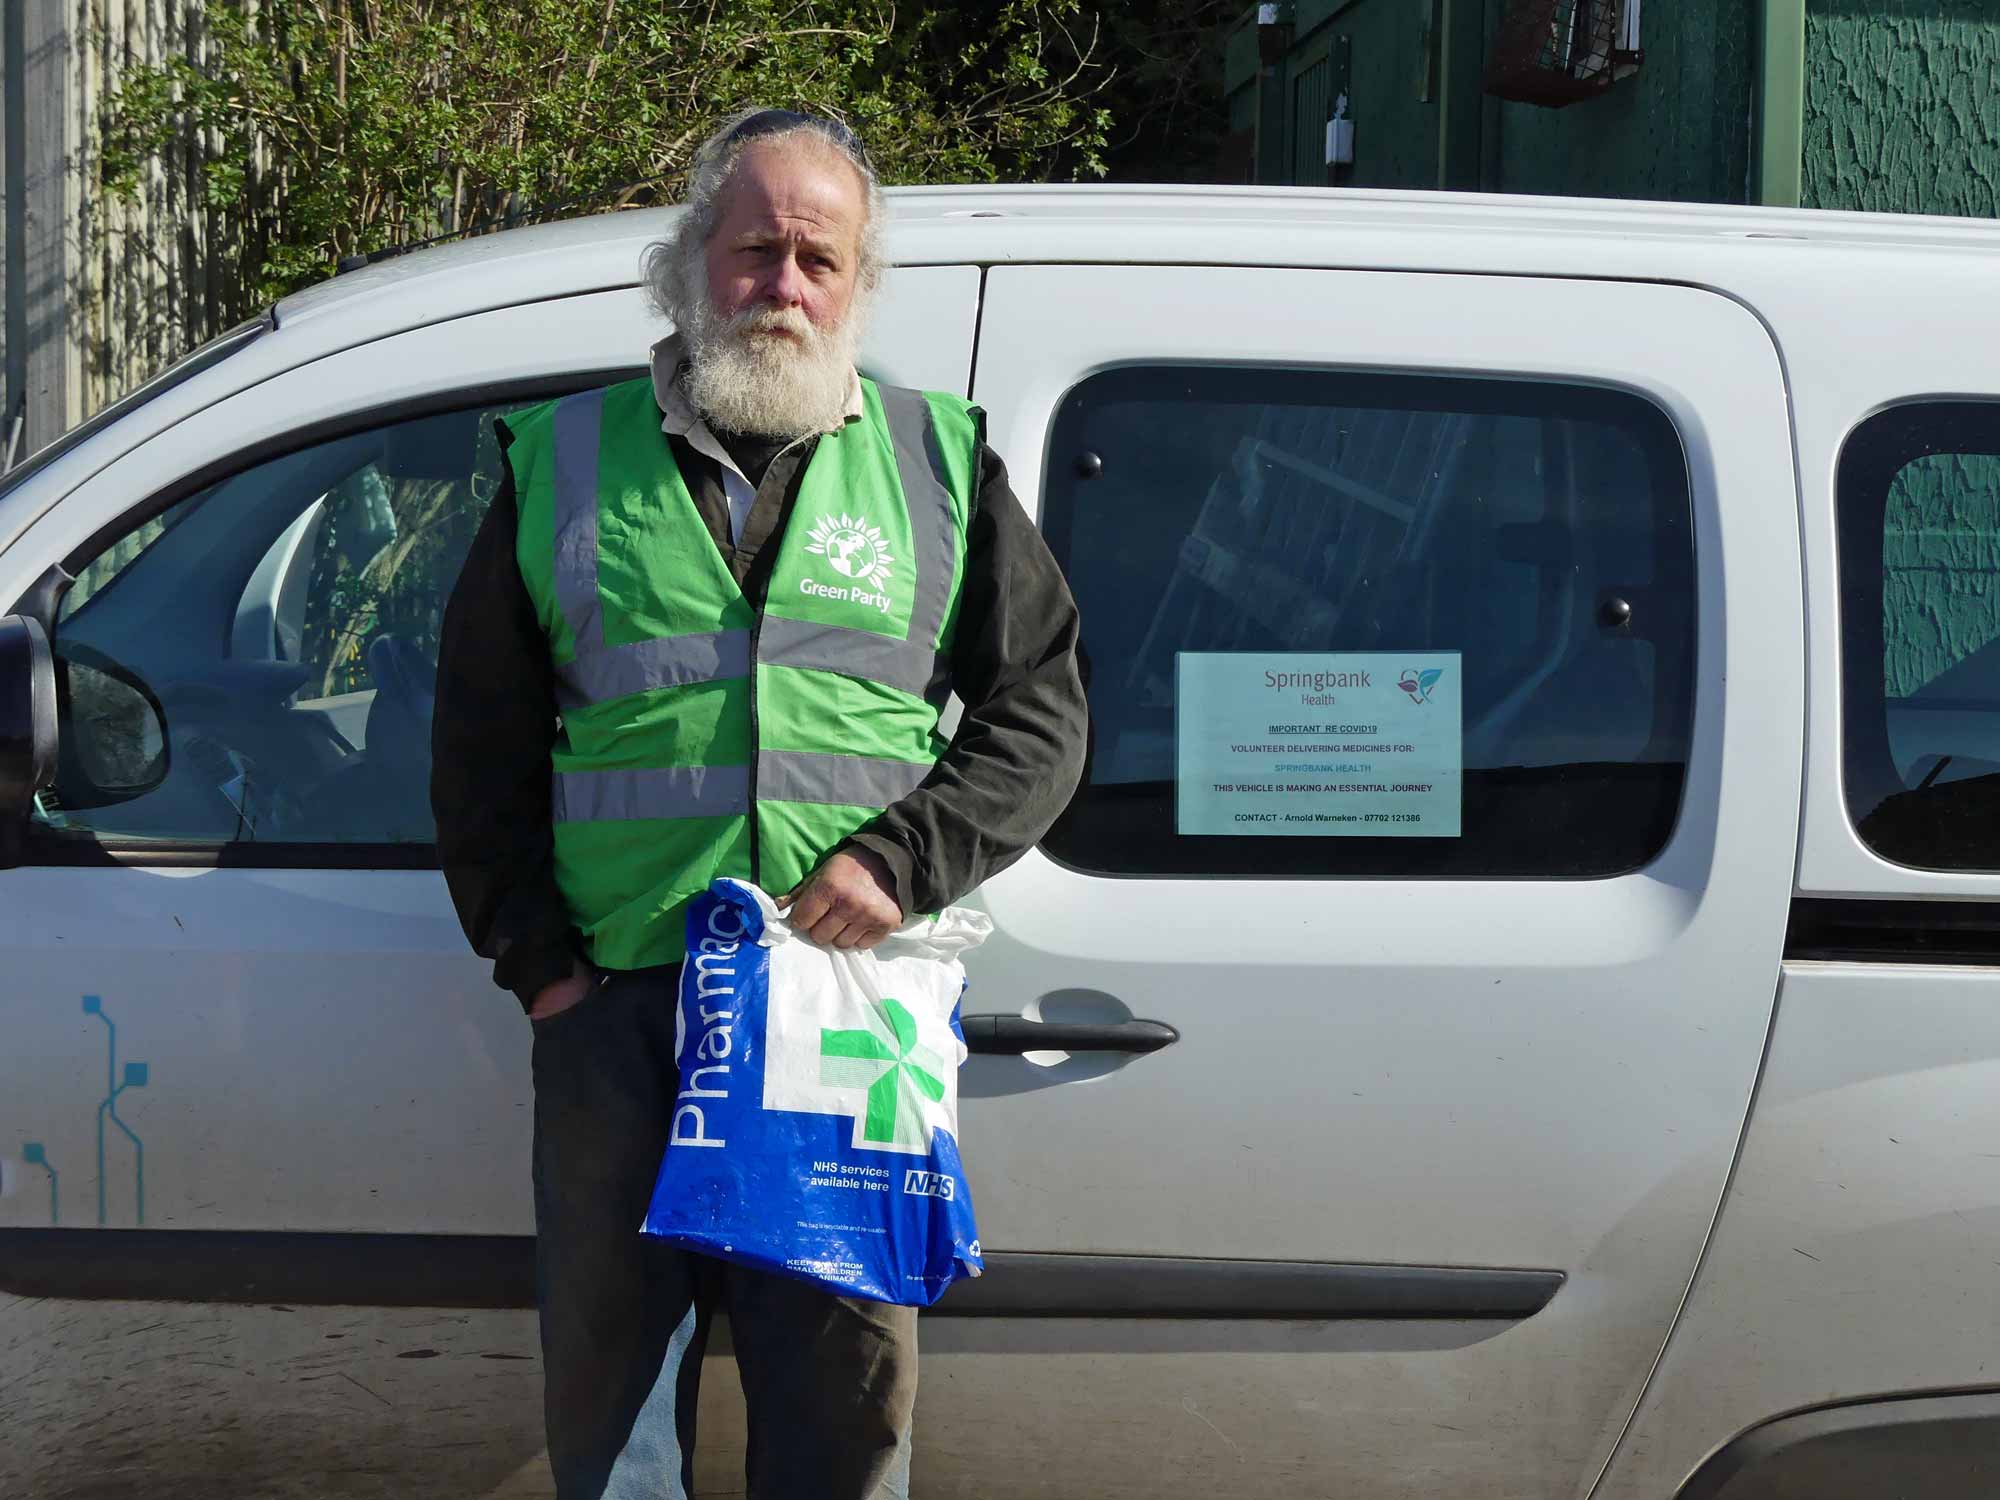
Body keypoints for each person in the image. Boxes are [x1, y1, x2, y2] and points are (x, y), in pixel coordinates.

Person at [430, 107, 1088, 1500]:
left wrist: (905, 861)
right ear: (689, 265)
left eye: (817, 258)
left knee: (843, 1421)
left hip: (842, 1021)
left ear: (857, 283)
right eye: (754, 252)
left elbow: (1043, 714)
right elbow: (478, 745)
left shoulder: (937, 462)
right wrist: (542, 970)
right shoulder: (563, 460)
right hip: (622, 1014)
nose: (784, 287)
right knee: (619, 1428)